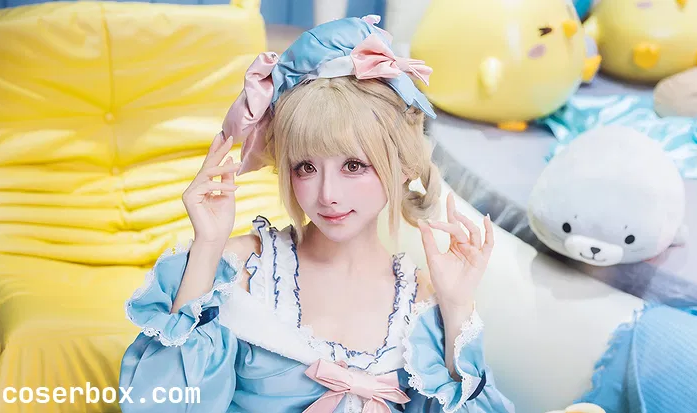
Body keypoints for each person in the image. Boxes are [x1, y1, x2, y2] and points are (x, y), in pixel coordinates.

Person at [119, 15, 515, 413]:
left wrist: (457, 307)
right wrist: (207, 246)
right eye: (305, 167)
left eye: (353, 166)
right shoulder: (240, 273)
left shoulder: (424, 301)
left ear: (403, 167)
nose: (327, 195)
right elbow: (161, 403)